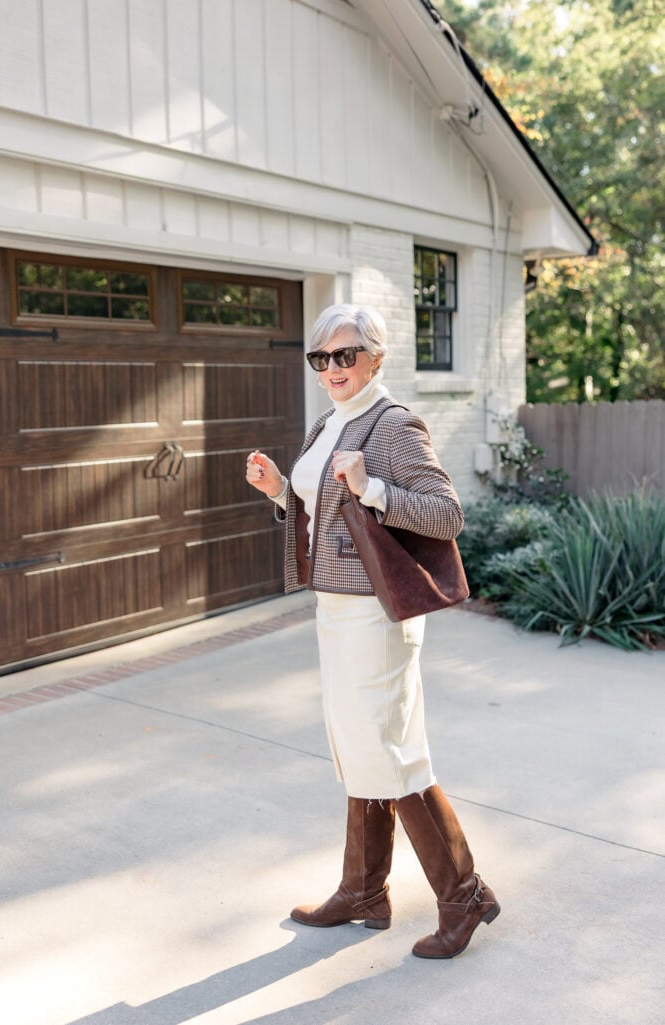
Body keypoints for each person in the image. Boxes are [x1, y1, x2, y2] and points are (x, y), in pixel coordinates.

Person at [245, 303, 499, 959]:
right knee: (358, 744)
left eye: (344, 354)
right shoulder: (331, 421)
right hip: (334, 609)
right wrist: (280, 489)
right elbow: (322, 509)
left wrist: (376, 487)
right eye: (320, 357)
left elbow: (446, 514)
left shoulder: (390, 425)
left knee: (391, 749)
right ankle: (362, 889)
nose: (331, 367)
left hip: (375, 615)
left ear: (375, 357)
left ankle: (463, 892)